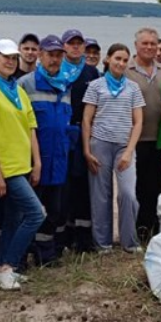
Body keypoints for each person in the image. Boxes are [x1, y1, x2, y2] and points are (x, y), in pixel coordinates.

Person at [0, 39, 45, 290]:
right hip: (6, 168)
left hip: (22, 165)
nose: (10, 61)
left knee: (13, 219)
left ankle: (2, 268)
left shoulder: (17, 90)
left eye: (14, 58)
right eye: (5, 57)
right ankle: (9, 265)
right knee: (37, 213)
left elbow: (31, 128)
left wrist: (36, 163)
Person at [83, 43, 146, 252]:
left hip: (123, 146)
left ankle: (129, 241)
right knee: (101, 195)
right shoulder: (95, 86)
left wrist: (129, 151)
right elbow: (86, 120)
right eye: (117, 58)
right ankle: (103, 243)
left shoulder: (133, 87)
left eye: (125, 60)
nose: (121, 63)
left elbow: (138, 122)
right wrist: (87, 150)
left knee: (128, 193)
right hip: (99, 143)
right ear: (108, 59)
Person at [18, 35, 74, 266]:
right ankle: (18, 256)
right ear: (40, 55)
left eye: (59, 55)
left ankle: (45, 255)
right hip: (34, 159)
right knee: (28, 211)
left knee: (54, 209)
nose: (55, 59)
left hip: (59, 159)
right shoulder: (25, 84)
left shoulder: (65, 85)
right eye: (50, 54)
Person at [125, 27, 161, 240]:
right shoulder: (126, 70)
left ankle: (151, 229)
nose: (150, 47)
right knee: (136, 187)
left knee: (155, 187)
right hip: (135, 139)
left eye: (153, 43)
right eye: (145, 43)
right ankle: (136, 230)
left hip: (158, 138)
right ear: (136, 45)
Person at [61, 28, 101, 253]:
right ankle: (65, 236)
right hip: (65, 134)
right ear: (64, 46)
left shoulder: (91, 73)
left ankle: (84, 239)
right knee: (64, 186)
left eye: (79, 43)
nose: (75, 47)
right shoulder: (57, 70)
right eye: (71, 43)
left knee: (84, 186)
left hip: (86, 133)